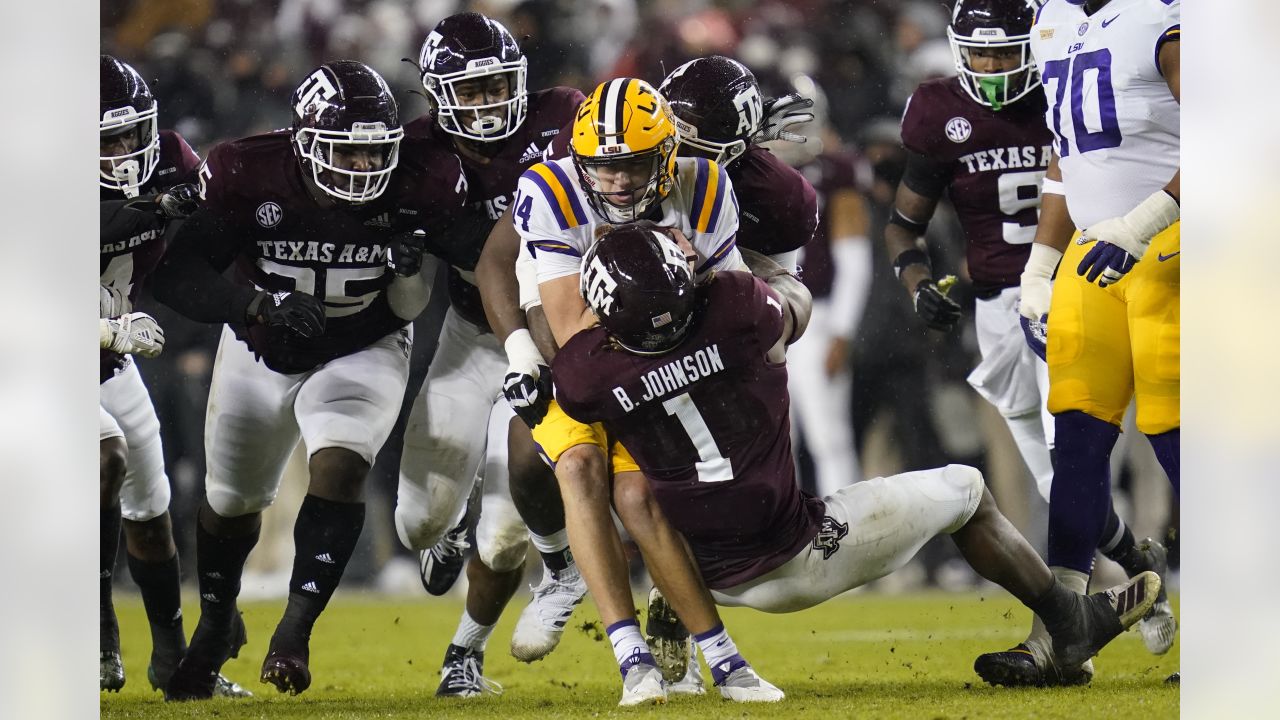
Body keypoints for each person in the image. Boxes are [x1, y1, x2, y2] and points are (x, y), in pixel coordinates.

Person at [553, 225, 1162, 684]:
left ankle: (666, 606)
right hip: (795, 553)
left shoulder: (583, 375)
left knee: (641, 491)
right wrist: (720, 256)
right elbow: (790, 298)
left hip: (698, 572)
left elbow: (589, 351)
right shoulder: (737, 309)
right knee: (967, 490)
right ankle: (1068, 620)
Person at [151, 60, 467, 699]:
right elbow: (175, 275)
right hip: (259, 345)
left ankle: (294, 632)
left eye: (375, 152)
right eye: (344, 153)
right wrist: (255, 307)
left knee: (341, 466)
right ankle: (216, 622)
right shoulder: (245, 170)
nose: (362, 169)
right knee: (232, 501)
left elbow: (412, 304)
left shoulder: (421, 179)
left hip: (364, 345)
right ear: (302, 143)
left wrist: (413, 268)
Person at [511, 77, 782, 705]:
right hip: (575, 355)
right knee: (578, 466)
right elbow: (573, 334)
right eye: (603, 168)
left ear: (667, 153)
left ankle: (725, 659)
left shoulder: (706, 184)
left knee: (637, 493)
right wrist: (661, 283)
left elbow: (735, 317)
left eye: (633, 164)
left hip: (658, 353)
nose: (619, 182)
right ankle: (631, 658)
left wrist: (664, 290)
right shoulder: (550, 192)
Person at [982, 0, 1182, 687]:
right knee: (1077, 441)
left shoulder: (1166, 17)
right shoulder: (1058, 21)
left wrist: (1149, 219)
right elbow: (1068, 159)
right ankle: (1061, 636)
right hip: (1098, 251)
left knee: (1178, 432)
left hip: (1180, 241)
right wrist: (1041, 262)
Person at [393, 11, 589, 697]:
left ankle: (462, 658)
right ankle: (452, 523)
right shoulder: (411, 154)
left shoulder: (565, 118)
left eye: (497, 85)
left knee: (507, 533)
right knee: (417, 522)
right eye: (469, 91)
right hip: (472, 336)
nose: (486, 103)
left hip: (552, 335)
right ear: (438, 94)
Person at [98, 54, 251, 699]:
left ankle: (173, 659)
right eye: (109, 139)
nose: (127, 149)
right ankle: (94, 632)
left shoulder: (173, 161)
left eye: (134, 133)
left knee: (152, 509)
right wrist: (105, 328)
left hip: (108, 363)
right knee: (102, 458)